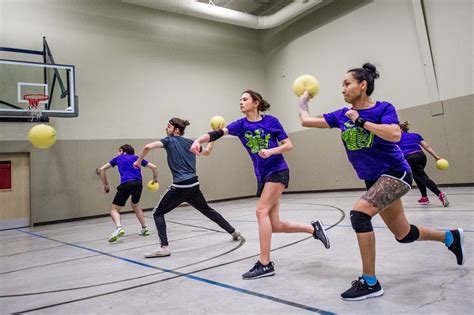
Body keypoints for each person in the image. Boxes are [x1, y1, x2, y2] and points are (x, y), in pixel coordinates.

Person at [297, 63, 465, 300]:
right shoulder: (340, 115)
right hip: (373, 180)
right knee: (403, 234)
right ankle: (450, 237)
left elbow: (395, 134)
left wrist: (361, 122)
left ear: (362, 85)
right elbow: (305, 121)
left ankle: (370, 282)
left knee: (359, 215)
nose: (343, 89)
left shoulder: (383, 108)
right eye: (342, 85)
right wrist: (303, 99)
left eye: (347, 84)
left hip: (395, 173)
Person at [191, 90, 330, 280]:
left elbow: (288, 145)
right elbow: (218, 133)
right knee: (275, 225)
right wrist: (199, 140)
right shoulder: (240, 125)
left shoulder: (271, 121)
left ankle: (265, 263)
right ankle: (314, 229)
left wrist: (272, 151)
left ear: (255, 103)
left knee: (260, 211)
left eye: (245, 99)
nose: (240, 102)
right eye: (239, 99)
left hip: (278, 170)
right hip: (263, 176)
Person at [134, 118, 241, 258]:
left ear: (176, 130)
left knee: (157, 213)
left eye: (168, 127)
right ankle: (233, 232)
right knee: (207, 210)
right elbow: (208, 152)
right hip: (193, 185)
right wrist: (214, 136)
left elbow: (148, 147)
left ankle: (164, 247)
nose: (166, 129)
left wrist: (138, 161)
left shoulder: (168, 141)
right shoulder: (192, 143)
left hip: (179, 186)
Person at [99, 144, 158, 243]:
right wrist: (155, 179)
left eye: (118, 151)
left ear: (122, 151)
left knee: (114, 210)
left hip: (126, 183)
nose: (118, 153)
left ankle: (119, 228)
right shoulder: (137, 158)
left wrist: (105, 184)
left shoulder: (118, 158)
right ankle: (144, 228)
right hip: (138, 183)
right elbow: (154, 167)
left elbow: (102, 169)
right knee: (135, 205)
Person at [398, 121, 449, 206]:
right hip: (421, 156)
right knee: (417, 175)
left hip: (410, 158)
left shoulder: (396, 138)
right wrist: (436, 157)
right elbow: (427, 147)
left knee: (422, 176)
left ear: (400, 130)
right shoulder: (415, 135)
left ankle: (440, 194)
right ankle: (424, 197)